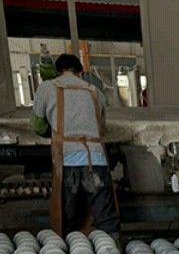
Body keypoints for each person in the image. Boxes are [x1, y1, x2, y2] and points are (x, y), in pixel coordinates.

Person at [31, 54, 119, 237]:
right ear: (80, 72)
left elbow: (38, 127)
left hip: (68, 162)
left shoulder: (47, 88)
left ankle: (72, 252)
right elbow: (101, 128)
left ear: (58, 71)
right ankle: (113, 249)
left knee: (69, 220)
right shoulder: (96, 92)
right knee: (106, 219)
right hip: (96, 161)